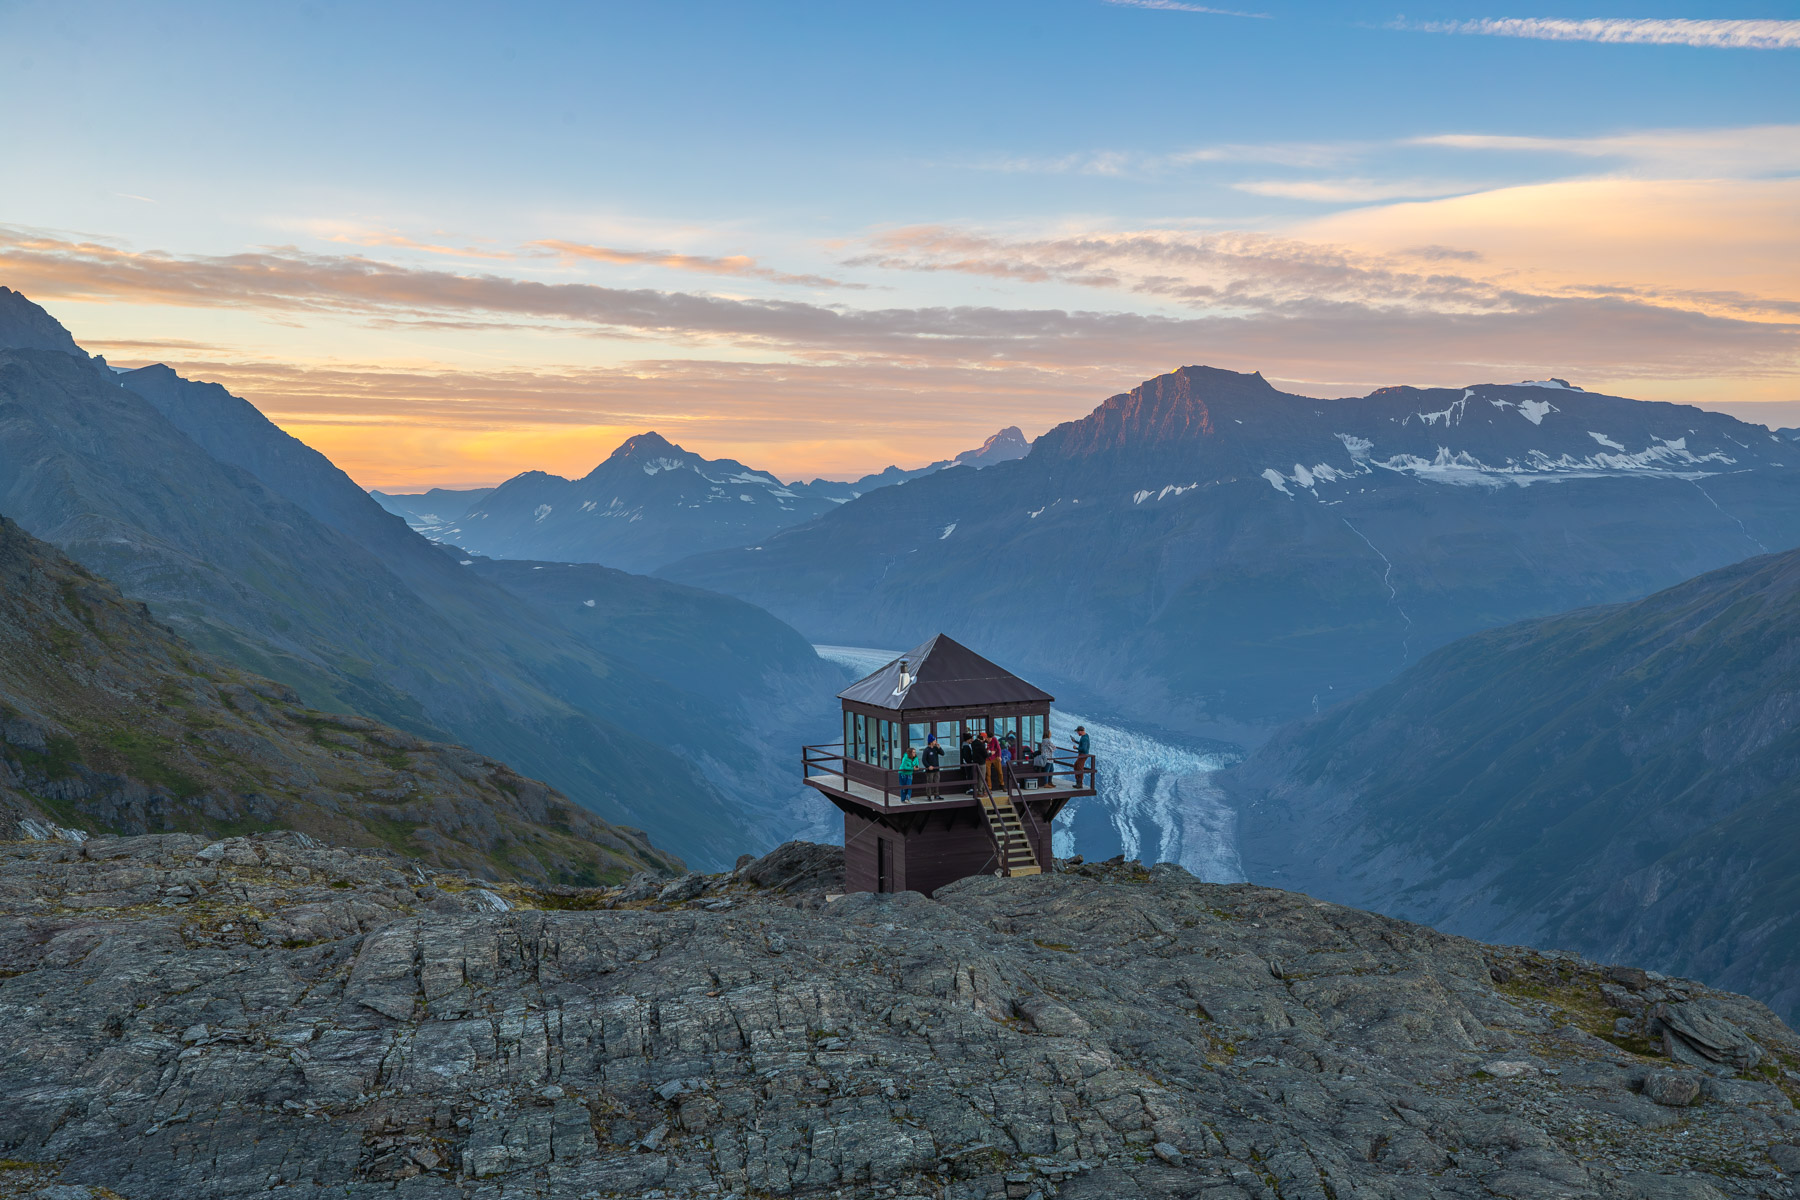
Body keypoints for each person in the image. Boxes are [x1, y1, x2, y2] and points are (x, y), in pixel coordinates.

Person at [967, 729, 989, 796]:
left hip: (975, 762)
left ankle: (982, 790)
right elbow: (986, 755)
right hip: (981, 762)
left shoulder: (973, 743)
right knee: (982, 777)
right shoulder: (981, 745)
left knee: (976, 777)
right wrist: (990, 753)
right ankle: (980, 791)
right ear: (982, 738)